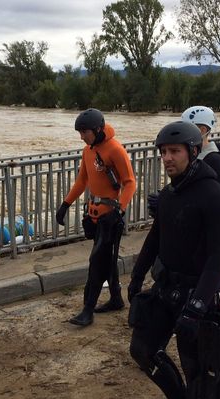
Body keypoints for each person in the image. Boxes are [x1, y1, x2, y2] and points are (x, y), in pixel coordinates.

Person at [128, 121, 220, 399]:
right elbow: (155, 239)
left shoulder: (216, 198)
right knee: (142, 350)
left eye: (174, 151)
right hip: (165, 288)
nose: (167, 158)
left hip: (197, 294)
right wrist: (137, 277)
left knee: (199, 374)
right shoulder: (169, 194)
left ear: (192, 152)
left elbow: (217, 260)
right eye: (163, 152)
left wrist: (196, 308)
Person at [56, 108, 136, 327]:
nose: (81, 136)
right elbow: (82, 181)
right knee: (107, 260)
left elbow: (130, 182)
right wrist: (65, 204)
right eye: (79, 132)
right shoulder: (88, 150)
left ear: (98, 129)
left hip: (110, 216)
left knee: (96, 262)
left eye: (84, 132)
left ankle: (87, 309)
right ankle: (117, 299)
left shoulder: (115, 149)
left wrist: (120, 209)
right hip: (94, 214)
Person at [147, 106, 220, 217]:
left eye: (187, 126)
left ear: (202, 130)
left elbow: (208, 199)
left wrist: (170, 205)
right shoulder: (194, 154)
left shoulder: (214, 160)